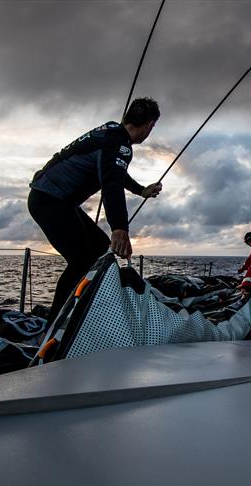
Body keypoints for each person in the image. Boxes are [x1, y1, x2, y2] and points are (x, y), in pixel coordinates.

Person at [28, 97, 162, 323]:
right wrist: (119, 228)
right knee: (82, 260)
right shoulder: (119, 144)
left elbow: (113, 171)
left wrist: (141, 191)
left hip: (53, 198)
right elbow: (111, 183)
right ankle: (56, 325)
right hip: (49, 200)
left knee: (100, 249)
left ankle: (85, 313)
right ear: (149, 125)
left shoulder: (111, 133)